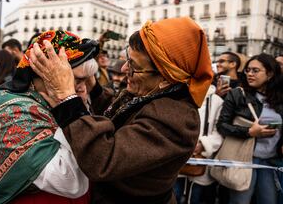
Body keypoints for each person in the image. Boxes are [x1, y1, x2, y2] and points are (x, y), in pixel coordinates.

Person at [30, 17, 214, 203]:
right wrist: (91, 84)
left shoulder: (178, 119)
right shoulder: (154, 92)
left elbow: (103, 158)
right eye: (128, 58)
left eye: (134, 66)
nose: (125, 68)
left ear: (167, 78)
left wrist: (66, 96)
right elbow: (118, 113)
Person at [0, 30, 99, 204]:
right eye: (76, 79)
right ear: (45, 73)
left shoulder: (64, 99)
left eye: (87, 81)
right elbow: (72, 183)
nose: (84, 89)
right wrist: (67, 105)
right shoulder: (13, 112)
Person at [216, 53, 283, 204]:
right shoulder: (237, 94)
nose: (250, 74)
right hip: (244, 159)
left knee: (269, 201)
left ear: (270, 74)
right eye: (247, 70)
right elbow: (222, 126)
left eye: (255, 70)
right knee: (241, 201)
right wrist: (249, 132)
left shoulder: (280, 98)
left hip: (271, 162)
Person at [174, 84, 224, 204]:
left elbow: (220, 131)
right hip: (177, 156)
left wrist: (203, 144)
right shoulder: (177, 96)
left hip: (200, 159)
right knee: (174, 195)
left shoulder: (216, 101)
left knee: (195, 197)